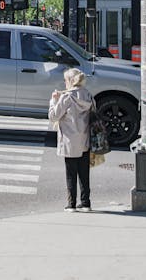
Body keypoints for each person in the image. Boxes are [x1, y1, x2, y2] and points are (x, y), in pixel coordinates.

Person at [49, 67, 95, 212]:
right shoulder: (88, 95)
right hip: (85, 138)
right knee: (84, 173)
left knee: (70, 173)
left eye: (65, 80)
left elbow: (53, 116)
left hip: (69, 139)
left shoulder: (67, 97)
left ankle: (71, 204)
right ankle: (86, 202)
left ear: (70, 81)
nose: (64, 82)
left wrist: (53, 101)